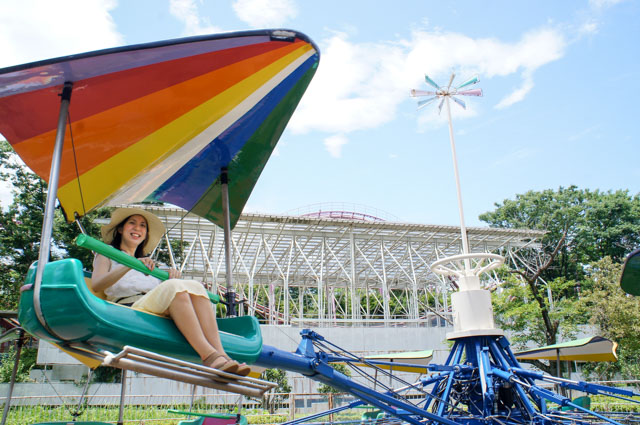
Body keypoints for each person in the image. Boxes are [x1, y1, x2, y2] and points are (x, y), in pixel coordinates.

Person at [91, 207, 250, 376]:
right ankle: (208, 355)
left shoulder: (148, 265)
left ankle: (222, 355)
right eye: (132, 223)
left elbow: (164, 290)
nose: (137, 228)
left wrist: (171, 278)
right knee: (175, 287)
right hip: (128, 307)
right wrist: (128, 264)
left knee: (196, 287)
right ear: (121, 229)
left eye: (143, 225)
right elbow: (97, 284)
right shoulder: (107, 254)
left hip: (154, 306)